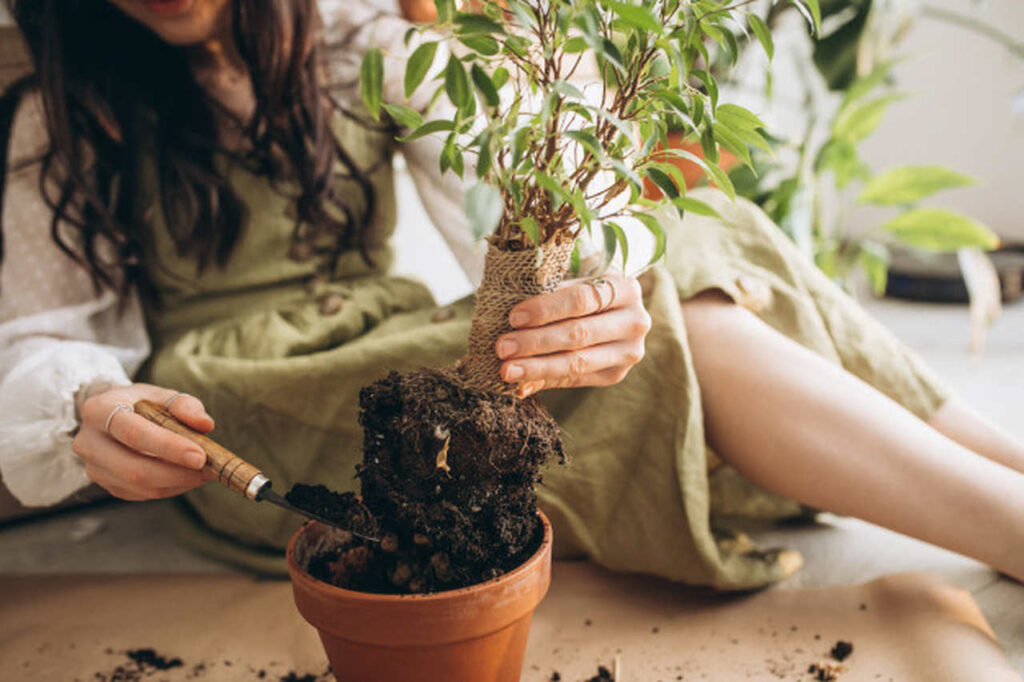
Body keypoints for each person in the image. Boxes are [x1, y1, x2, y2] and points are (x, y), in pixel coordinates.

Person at [1, 0, 1021, 587]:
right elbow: (43, 339)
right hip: (257, 404)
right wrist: (84, 407)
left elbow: (515, 194)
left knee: (703, 235)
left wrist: (591, 284)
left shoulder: (350, 44)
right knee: (678, 328)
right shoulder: (65, 111)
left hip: (382, 334)